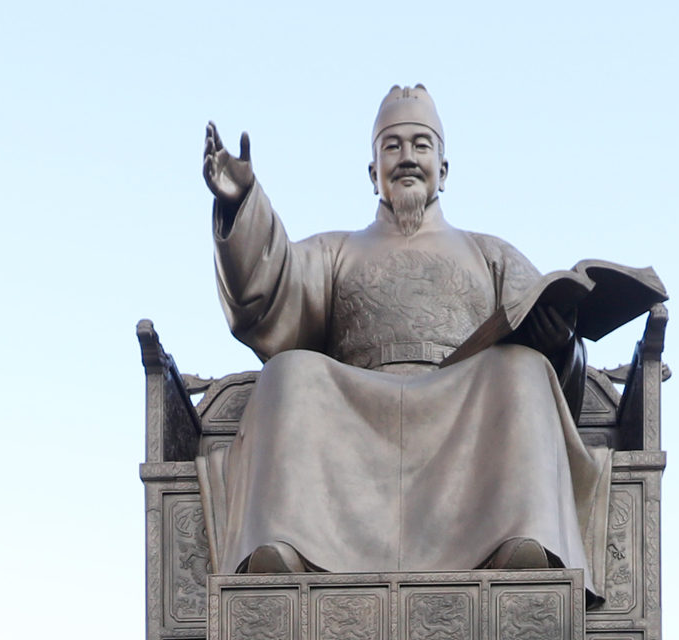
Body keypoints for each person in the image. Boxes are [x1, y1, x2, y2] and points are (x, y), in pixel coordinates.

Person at [203, 83, 612, 590]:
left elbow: (544, 326)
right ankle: (288, 545)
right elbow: (271, 285)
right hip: (358, 406)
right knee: (288, 372)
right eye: (392, 146)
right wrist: (243, 203)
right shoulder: (337, 251)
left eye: (421, 144)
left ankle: (518, 539)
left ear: (444, 167)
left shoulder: (491, 254)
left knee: (521, 369)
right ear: (373, 172)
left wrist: (558, 345)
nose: (407, 158)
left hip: (463, 407)